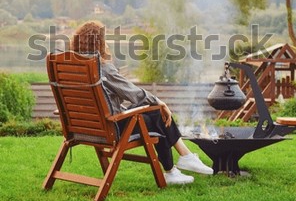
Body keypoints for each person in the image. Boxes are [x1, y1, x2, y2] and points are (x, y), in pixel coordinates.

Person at [71, 21, 213, 185]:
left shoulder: (73, 67)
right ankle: (179, 163)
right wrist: (160, 103)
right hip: (111, 129)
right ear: (99, 43)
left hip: (84, 128)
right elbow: (133, 93)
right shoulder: (101, 68)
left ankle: (178, 164)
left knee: (154, 112)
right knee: (155, 112)